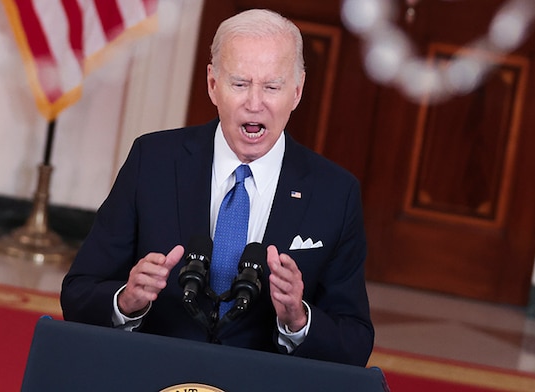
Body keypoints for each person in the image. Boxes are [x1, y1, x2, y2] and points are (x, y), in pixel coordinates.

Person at [60, 8, 374, 367]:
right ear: (213, 84)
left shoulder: (334, 193)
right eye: (239, 84)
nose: (255, 103)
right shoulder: (154, 161)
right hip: (156, 372)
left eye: (272, 87)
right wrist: (125, 301)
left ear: (297, 90)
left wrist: (298, 320)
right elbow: (78, 293)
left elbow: (355, 342)